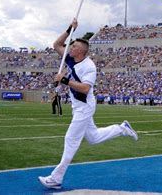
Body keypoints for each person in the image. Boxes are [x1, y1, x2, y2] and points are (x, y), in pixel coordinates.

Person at [39, 19, 139, 190]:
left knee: (71, 139)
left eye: (74, 47)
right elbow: (56, 44)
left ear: (81, 51)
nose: (70, 48)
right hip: (78, 105)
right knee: (93, 138)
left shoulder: (89, 67)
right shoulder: (70, 58)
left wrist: (64, 80)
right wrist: (70, 29)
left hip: (84, 106)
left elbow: (85, 88)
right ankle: (122, 128)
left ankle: (56, 178)